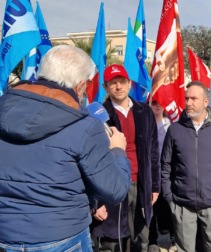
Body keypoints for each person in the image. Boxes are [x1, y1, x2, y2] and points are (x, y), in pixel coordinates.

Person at [0, 45, 131, 251]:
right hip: (62, 238)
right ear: (80, 86)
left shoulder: (3, 108)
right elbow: (115, 190)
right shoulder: (84, 126)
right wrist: (117, 151)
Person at [161, 81, 211, 251]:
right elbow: (165, 165)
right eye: (187, 98)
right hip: (182, 205)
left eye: (193, 98)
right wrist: (169, 197)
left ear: (205, 102)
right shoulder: (174, 130)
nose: (188, 102)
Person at [91, 64, 160, 252]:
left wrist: (154, 186)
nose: (118, 87)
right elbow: (91, 160)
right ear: (105, 87)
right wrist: (95, 201)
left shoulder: (144, 111)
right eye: (113, 83)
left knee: (141, 237)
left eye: (122, 82)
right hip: (112, 186)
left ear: (129, 84)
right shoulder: (98, 116)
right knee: (113, 242)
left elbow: (153, 151)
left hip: (141, 183)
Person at [147, 100, 176, 250]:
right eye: (154, 102)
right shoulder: (145, 125)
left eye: (160, 101)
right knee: (150, 207)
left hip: (167, 173)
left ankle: (173, 238)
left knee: (169, 204)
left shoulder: (171, 125)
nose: (158, 105)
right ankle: (152, 240)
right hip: (150, 173)